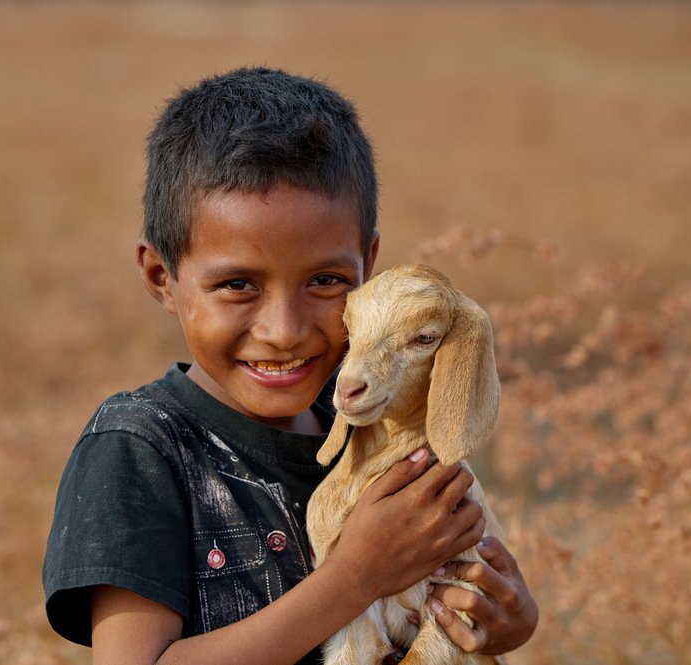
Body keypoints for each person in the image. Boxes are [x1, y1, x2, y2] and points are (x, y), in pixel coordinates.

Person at [43, 67, 538, 665]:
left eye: (326, 281)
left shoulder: (371, 416)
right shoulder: (141, 447)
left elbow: (449, 595)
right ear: (161, 277)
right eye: (238, 284)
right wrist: (355, 577)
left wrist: (507, 618)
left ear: (368, 266)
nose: (285, 331)